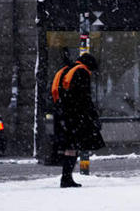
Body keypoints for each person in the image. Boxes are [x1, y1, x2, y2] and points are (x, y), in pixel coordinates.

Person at [51, 53, 105, 188]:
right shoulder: (81, 72)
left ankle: (66, 177)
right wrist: (93, 116)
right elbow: (84, 98)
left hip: (61, 114)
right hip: (75, 116)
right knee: (73, 146)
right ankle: (66, 178)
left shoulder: (65, 70)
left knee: (69, 146)